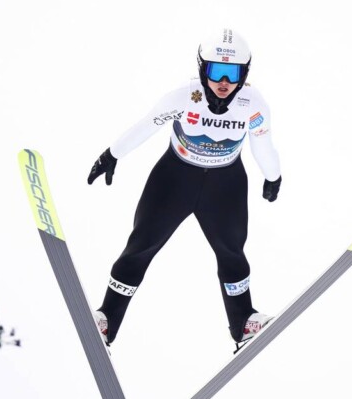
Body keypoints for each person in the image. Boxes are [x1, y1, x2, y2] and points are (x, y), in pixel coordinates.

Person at [87, 28, 282, 349]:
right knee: (140, 247)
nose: (223, 82)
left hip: (225, 185)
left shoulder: (253, 104)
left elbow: (264, 145)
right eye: (215, 71)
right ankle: (106, 319)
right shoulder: (182, 96)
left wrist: (272, 176)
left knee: (232, 254)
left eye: (232, 74)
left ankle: (244, 323)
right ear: (201, 70)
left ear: (244, 74)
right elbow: (146, 125)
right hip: (174, 179)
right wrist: (112, 154)